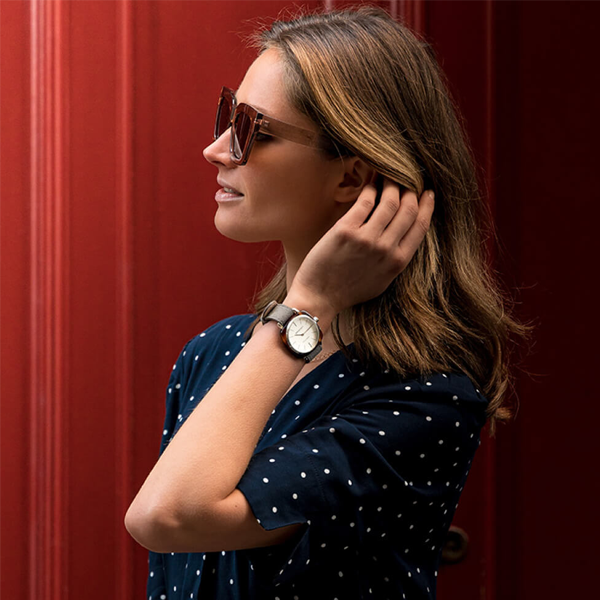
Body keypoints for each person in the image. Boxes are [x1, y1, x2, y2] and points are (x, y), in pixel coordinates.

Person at [125, 5, 532, 600]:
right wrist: (301, 314)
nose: (216, 149)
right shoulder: (213, 353)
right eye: (226, 115)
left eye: (253, 129)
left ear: (350, 177)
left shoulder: (424, 399)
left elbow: (167, 516)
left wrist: (309, 303)